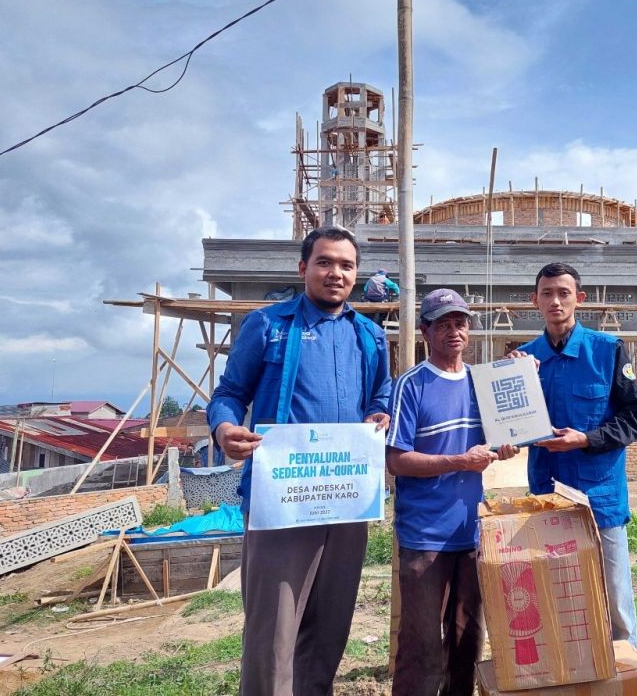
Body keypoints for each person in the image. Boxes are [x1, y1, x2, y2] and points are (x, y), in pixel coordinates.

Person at [206, 225, 392, 696]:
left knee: (331, 623)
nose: (336, 273)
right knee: (273, 630)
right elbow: (229, 393)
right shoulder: (268, 326)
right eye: (325, 262)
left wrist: (380, 413)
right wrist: (224, 428)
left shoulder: (369, 336)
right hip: (281, 500)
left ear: (356, 274)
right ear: (303, 268)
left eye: (346, 265)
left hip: (346, 501)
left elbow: (381, 394)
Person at [509, 262, 637, 649]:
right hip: (547, 495)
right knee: (560, 594)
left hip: (598, 496)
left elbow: (634, 419)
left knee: (614, 597)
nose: (555, 301)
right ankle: (571, 670)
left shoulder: (607, 350)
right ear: (534, 301)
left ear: (579, 299)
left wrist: (585, 439)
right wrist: (514, 379)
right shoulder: (523, 359)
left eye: (563, 293)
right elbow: (506, 427)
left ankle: (625, 669)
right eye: (547, 293)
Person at [387, 288, 517, 696]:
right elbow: (396, 460)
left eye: (460, 323)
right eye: (442, 324)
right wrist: (457, 461)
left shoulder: (483, 383)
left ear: (470, 330)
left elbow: (503, 437)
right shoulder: (411, 385)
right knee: (422, 646)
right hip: (424, 535)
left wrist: (506, 444)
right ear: (425, 331)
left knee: (467, 640)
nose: (453, 331)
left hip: (470, 534)